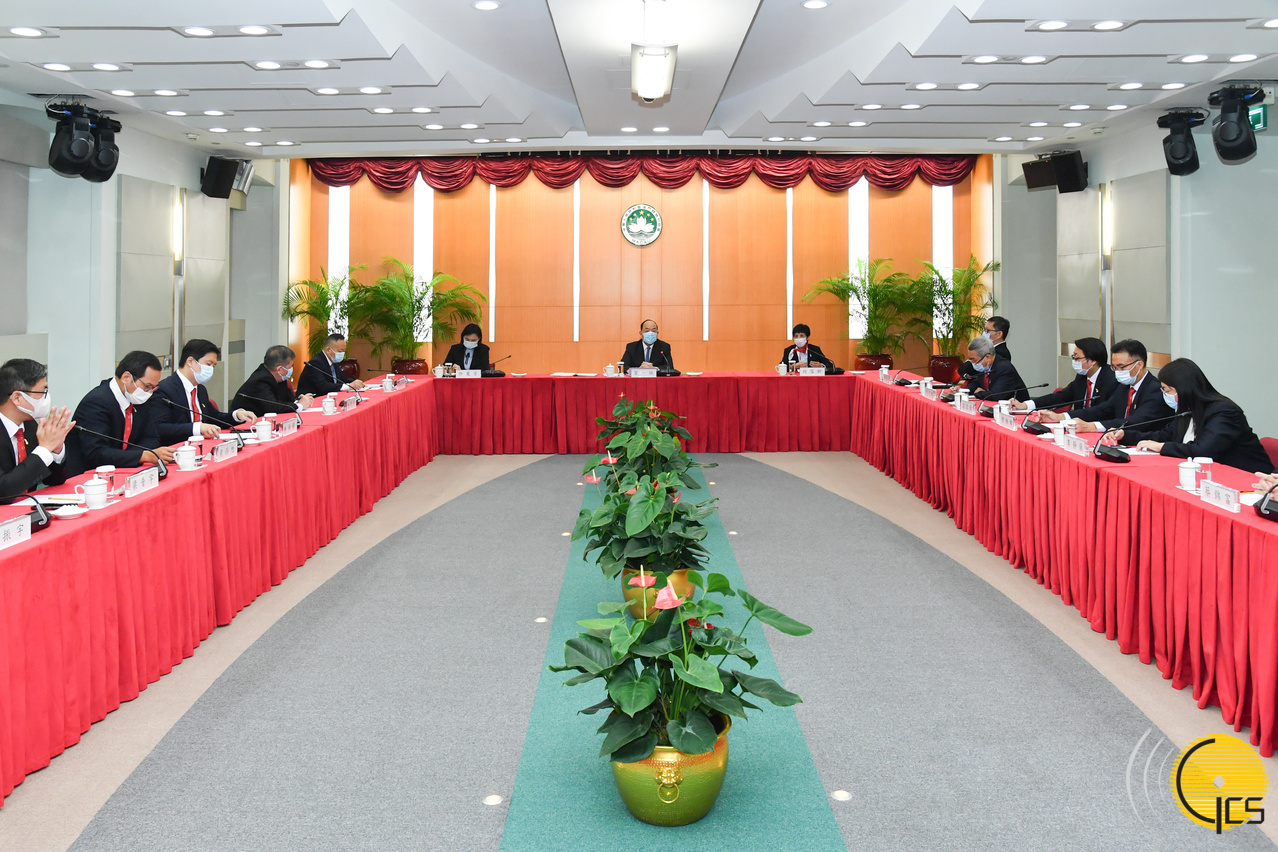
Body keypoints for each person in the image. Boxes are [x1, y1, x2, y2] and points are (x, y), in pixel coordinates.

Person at [1103, 358, 1272, 472]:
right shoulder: (1187, 409)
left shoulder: (1224, 412)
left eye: (1168, 390)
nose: (1165, 395)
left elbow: (1204, 450)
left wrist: (1161, 447)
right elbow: (1164, 435)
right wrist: (1125, 435)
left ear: (1185, 389)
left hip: (1248, 479)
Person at [65, 350, 174, 477]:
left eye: (153, 388)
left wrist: (132, 456)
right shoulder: (96, 402)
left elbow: (152, 437)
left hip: (125, 471)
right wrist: (143, 456)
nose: (149, 393)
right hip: (89, 477)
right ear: (126, 377)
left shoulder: (138, 398)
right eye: (147, 386)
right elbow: (96, 453)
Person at [1048, 339, 1170, 433]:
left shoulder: (1155, 390)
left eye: (1121, 367)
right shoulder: (1124, 386)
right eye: (1114, 367)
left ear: (1139, 365)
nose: (1117, 372)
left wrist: (1092, 426)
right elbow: (1103, 409)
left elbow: (1135, 422)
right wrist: (1062, 417)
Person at [150, 339, 258, 444]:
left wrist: (237, 415)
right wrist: (197, 428)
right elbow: (160, 428)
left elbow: (213, 417)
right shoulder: (164, 390)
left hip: (201, 446)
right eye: (208, 364)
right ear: (190, 361)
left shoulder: (200, 389)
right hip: (177, 449)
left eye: (213, 366)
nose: (211, 370)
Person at [0, 359, 72, 500]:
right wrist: (44, 450)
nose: (46, 397)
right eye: (42, 391)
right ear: (17, 397)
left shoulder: (30, 425)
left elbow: (55, 480)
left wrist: (55, 450)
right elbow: (4, 491)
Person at [1011, 337, 1116, 417]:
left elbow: (1102, 411)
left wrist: (1063, 417)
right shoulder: (1082, 377)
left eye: (1077, 358)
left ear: (1093, 361)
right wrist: (1025, 405)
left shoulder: (1111, 380)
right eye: (1073, 357)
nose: (1074, 361)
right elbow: (1061, 397)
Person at [231, 345, 314, 417]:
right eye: (291, 366)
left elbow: (288, 398)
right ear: (280, 369)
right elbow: (273, 407)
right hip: (244, 425)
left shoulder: (280, 377)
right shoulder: (260, 381)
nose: (292, 369)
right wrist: (299, 405)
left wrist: (298, 400)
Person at [297, 333, 368, 396]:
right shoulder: (316, 363)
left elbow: (343, 379)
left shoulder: (332, 360)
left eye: (344, 351)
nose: (342, 354)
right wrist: (349, 386)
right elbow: (323, 386)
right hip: (312, 400)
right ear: (328, 350)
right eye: (340, 351)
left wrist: (356, 383)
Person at [962, 335, 1027, 401]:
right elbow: (975, 383)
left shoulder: (1004, 368)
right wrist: (962, 391)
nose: (972, 363)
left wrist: (978, 393)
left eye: (974, 359)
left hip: (1017, 406)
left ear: (987, 357)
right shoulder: (985, 366)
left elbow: (995, 395)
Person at [959, 315, 1011, 383]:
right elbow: (962, 368)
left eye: (988, 330)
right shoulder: (985, 348)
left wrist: (969, 364)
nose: (984, 333)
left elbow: (972, 370)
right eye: (984, 330)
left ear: (998, 334)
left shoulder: (1001, 353)